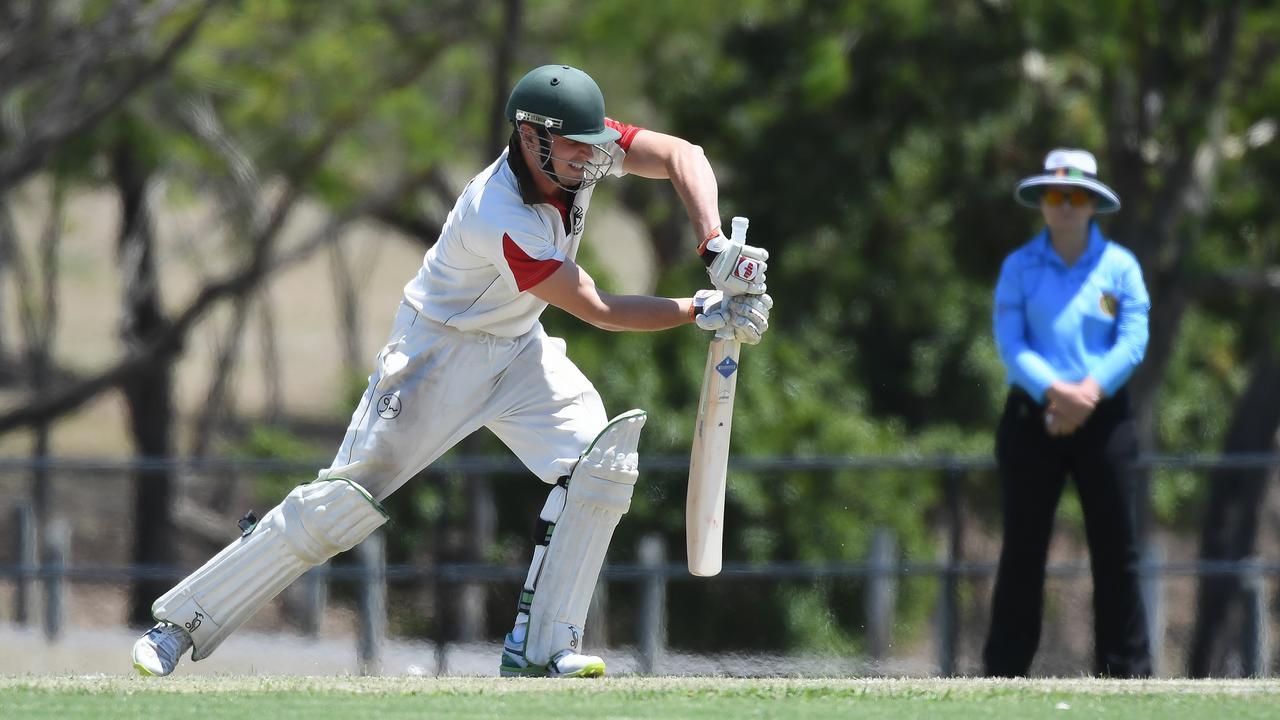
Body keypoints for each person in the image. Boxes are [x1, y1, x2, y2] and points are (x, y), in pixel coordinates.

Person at [130, 64, 773, 678]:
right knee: (338, 507)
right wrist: (700, 309)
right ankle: (179, 624)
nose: (591, 160)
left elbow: (682, 154)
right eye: (574, 149)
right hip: (435, 359)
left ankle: (542, 650)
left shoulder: (579, 150)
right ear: (530, 137)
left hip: (520, 348)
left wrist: (713, 244)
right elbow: (597, 308)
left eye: (592, 145)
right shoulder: (500, 214)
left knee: (598, 466)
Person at [982, 148, 1153, 678]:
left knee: (1117, 550)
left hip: (1104, 419)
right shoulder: (1019, 267)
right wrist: (1059, 394)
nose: (1065, 206)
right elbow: (1011, 343)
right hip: (1034, 418)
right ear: (1043, 203)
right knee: (1023, 550)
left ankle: (1126, 674)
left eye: (1076, 197)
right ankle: (1005, 673)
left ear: (1093, 204)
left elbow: (1133, 339)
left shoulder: (1120, 266)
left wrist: (1087, 395)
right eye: (1056, 196)